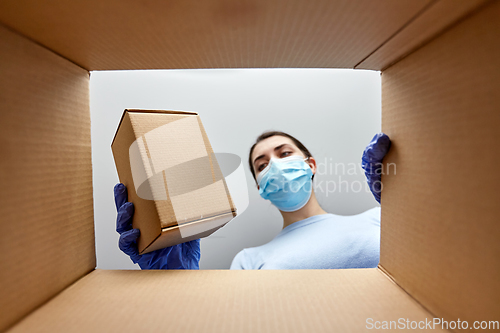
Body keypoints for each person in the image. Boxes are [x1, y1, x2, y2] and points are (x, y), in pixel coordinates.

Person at [114, 132, 391, 270]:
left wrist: (399, 206)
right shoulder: (249, 261)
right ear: (260, 187)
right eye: (262, 165)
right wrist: (174, 282)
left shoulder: (378, 219)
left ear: (311, 165)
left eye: (284, 154)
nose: (275, 165)